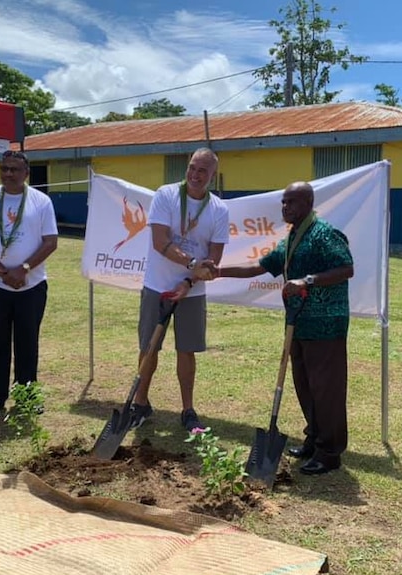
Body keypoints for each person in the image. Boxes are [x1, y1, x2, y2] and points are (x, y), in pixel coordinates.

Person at [207, 182, 354, 475]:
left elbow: (346, 268)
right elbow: (258, 267)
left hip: (326, 324)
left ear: (307, 203)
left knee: (326, 390)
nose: (285, 208)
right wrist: (217, 271)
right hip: (299, 323)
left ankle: (329, 453)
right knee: (305, 384)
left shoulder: (325, 234)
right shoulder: (292, 238)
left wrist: (307, 280)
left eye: (291, 202)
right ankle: (314, 438)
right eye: (283, 203)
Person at [128, 147, 230, 433]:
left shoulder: (219, 209)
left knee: (187, 351)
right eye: (192, 168)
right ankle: (141, 402)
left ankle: (187, 410)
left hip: (192, 292)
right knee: (149, 348)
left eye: (203, 171)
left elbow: (215, 261)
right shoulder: (166, 195)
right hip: (157, 285)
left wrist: (188, 282)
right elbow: (160, 241)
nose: (196, 175)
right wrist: (192, 262)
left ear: (212, 175)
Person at [0, 150, 58, 418]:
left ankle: (27, 398)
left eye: (14, 170)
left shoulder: (41, 202)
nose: (8, 174)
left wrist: (24, 269)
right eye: (4, 169)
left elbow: (50, 242)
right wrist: (3, 272)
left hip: (31, 286)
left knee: (27, 343)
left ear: (26, 174)